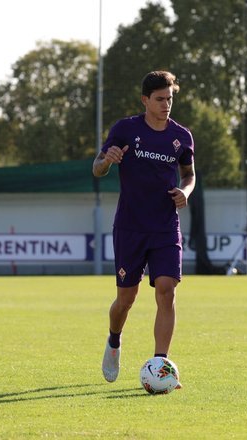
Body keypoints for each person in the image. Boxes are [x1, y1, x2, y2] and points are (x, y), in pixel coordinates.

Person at [92, 71, 196, 385]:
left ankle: (161, 364)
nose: (167, 105)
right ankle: (113, 340)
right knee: (126, 299)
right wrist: (107, 160)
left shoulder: (182, 136)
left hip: (165, 226)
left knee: (166, 291)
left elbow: (189, 175)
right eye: (160, 99)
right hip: (130, 227)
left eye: (170, 99)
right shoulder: (126, 129)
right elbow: (97, 169)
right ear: (145, 100)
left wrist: (185, 191)